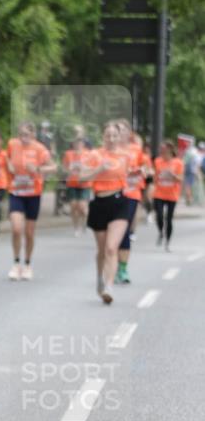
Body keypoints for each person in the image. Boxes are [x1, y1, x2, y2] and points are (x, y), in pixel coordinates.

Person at [79, 121, 129, 304]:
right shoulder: (94, 155)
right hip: (99, 202)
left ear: (119, 137)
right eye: (108, 135)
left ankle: (109, 286)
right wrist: (99, 168)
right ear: (103, 137)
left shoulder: (125, 155)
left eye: (115, 135)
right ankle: (100, 277)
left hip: (119, 202)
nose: (111, 139)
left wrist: (141, 172)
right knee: (101, 249)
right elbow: (82, 177)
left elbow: (131, 174)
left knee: (111, 248)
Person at [6, 123, 56, 280]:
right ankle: (16, 263)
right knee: (16, 229)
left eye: (27, 135)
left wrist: (38, 169)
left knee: (29, 232)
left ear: (33, 135)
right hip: (16, 192)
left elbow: (54, 167)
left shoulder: (40, 149)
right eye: (21, 134)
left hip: (33, 193)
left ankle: (27, 264)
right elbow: (6, 157)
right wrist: (9, 166)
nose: (23, 138)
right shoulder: (12, 144)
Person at [116, 123, 145, 284]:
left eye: (124, 131)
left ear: (129, 133)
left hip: (132, 193)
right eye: (118, 131)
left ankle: (123, 269)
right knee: (113, 233)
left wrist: (142, 171)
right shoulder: (109, 150)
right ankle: (113, 267)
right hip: (113, 194)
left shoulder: (136, 149)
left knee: (124, 230)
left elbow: (144, 167)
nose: (121, 134)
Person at [153, 140, 183, 250]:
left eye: (163, 149)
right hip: (159, 193)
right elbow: (155, 177)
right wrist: (158, 176)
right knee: (159, 216)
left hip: (172, 194)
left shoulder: (178, 162)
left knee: (169, 219)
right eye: (161, 149)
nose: (161, 151)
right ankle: (161, 231)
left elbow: (180, 179)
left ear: (170, 150)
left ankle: (168, 242)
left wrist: (172, 175)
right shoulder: (157, 161)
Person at [61, 135, 92, 236]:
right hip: (72, 183)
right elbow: (63, 168)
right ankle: (76, 227)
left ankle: (85, 224)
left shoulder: (88, 154)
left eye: (80, 142)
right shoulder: (68, 154)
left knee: (82, 207)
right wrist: (69, 169)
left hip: (84, 183)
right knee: (74, 206)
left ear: (83, 144)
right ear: (73, 144)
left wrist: (84, 168)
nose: (78, 145)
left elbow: (94, 168)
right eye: (76, 142)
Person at [141, 141, 154, 223]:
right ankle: (147, 211)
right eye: (145, 148)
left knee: (148, 197)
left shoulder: (152, 157)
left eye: (148, 148)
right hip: (142, 178)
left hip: (149, 178)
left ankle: (149, 214)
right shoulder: (141, 156)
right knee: (143, 199)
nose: (147, 149)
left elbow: (153, 169)